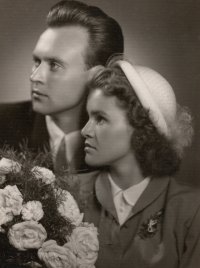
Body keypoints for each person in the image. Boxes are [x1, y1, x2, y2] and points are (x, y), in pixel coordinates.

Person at [79, 58, 200, 268]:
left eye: (100, 119)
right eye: (88, 117)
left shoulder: (191, 209)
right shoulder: (68, 192)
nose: (85, 131)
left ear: (141, 127)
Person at [0, 0, 123, 173]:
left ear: (96, 76)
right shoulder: (3, 124)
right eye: (37, 61)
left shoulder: (124, 142)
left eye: (54, 65)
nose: (34, 77)